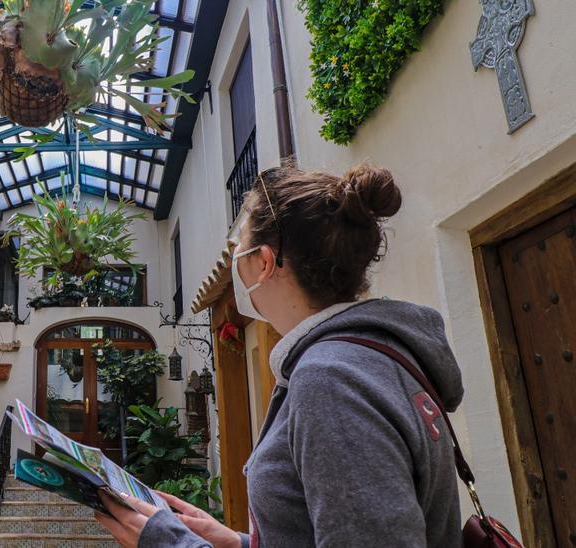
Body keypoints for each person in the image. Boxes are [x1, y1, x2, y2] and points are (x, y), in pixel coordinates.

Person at [96, 163, 465, 547]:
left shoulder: (331, 379)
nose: (235, 255)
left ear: (265, 261)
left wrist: (172, 543)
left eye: (241, 240)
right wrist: (241, 543)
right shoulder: (374, 358)